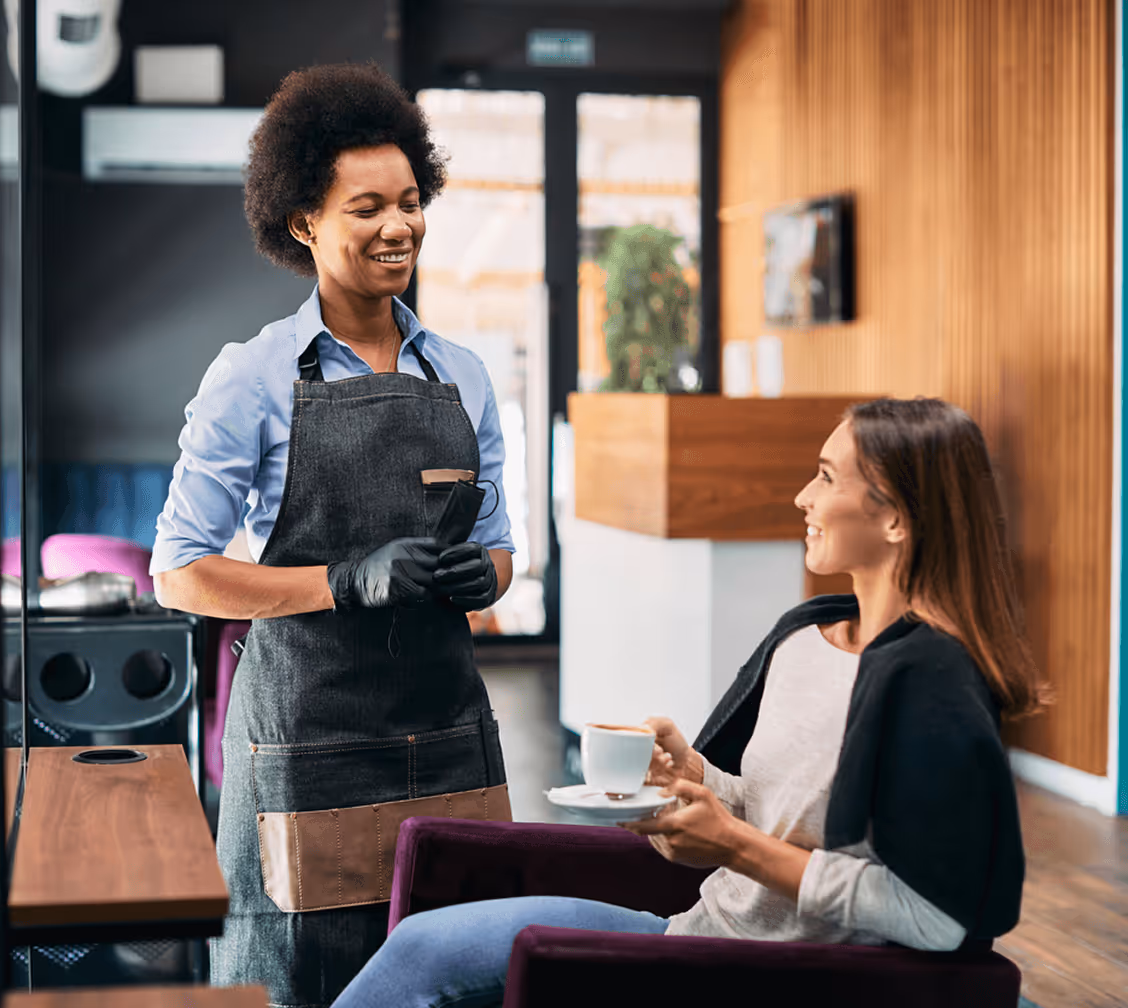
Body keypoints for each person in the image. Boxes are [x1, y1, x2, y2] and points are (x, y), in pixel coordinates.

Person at [331, 396, 1050, 1007]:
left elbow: (935, 918)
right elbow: (787, 816)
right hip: (703, 932)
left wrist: (734, 844)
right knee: (425, 944)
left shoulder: (935, 686)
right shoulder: (805, 638)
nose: (803, 495)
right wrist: (699, 783)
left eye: (827, 477)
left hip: (765, 973)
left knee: (426, 956)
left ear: (896, 520)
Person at [150, 63, 515, 1003]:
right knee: (299, 982)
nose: (398, 227)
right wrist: (344, 580)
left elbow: (504, 543)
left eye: (409, 202)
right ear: (304, 222)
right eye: (366, 209)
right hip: (311, 746)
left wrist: (490, 574)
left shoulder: (464, 376)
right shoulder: (255, 377)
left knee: (458, 971)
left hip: (446, 738)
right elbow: (180, 573)